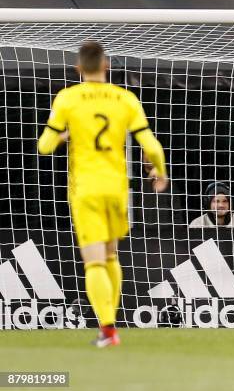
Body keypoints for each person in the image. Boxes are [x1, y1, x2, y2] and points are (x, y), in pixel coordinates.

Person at [37, 42, 167, 347]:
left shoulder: (67, 97)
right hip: (116, 187)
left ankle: (108, 329)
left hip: (86, 188)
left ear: (78, 68)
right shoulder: (125, 98)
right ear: (106, 65)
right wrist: (159, 172)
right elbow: (151, 144)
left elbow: (44, 146)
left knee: (94, 262)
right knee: (111, 256)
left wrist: (64, 134)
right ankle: (111, 326)